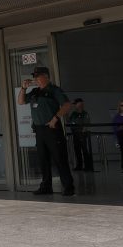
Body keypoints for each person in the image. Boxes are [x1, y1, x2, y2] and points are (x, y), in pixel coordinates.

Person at [17, 67, 75, 197]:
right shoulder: (35, 92)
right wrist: (23, 88)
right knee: (43, 159)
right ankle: (46, 186)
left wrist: (55, 118)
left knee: (59, 158)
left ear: (46, 77)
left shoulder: (54, 90)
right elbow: (20, 101)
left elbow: (66, 105)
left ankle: (68, 187)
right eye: (35, 76)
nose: (36, 79)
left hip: (52, 128)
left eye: (38, 76)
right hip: (39, 130)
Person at [68, 98, 93, 172]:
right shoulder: (74, 113)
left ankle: (88, 166)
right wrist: (66, 112)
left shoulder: (85, 113)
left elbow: (86, 124)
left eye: (76, 104)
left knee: (84, 150)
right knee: (77, 150)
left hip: (82, 134)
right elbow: (69, 121)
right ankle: (79, 165)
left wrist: (82, 133)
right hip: (75, 134)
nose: (75, 105)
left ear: (80, 104)